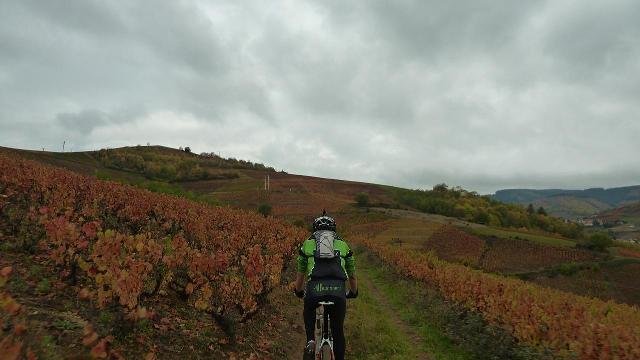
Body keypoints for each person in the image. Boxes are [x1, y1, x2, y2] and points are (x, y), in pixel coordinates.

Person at [294, 210, 358, 360]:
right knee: (338, 332)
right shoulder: (343, 245)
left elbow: (301, 273)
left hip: (314, 290)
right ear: (333, 229)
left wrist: (298, 290)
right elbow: (352, 275)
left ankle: (310, 340)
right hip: (338, 292)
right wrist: (354, 292)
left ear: (315, 229)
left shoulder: (307, 244)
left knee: (309, 309)